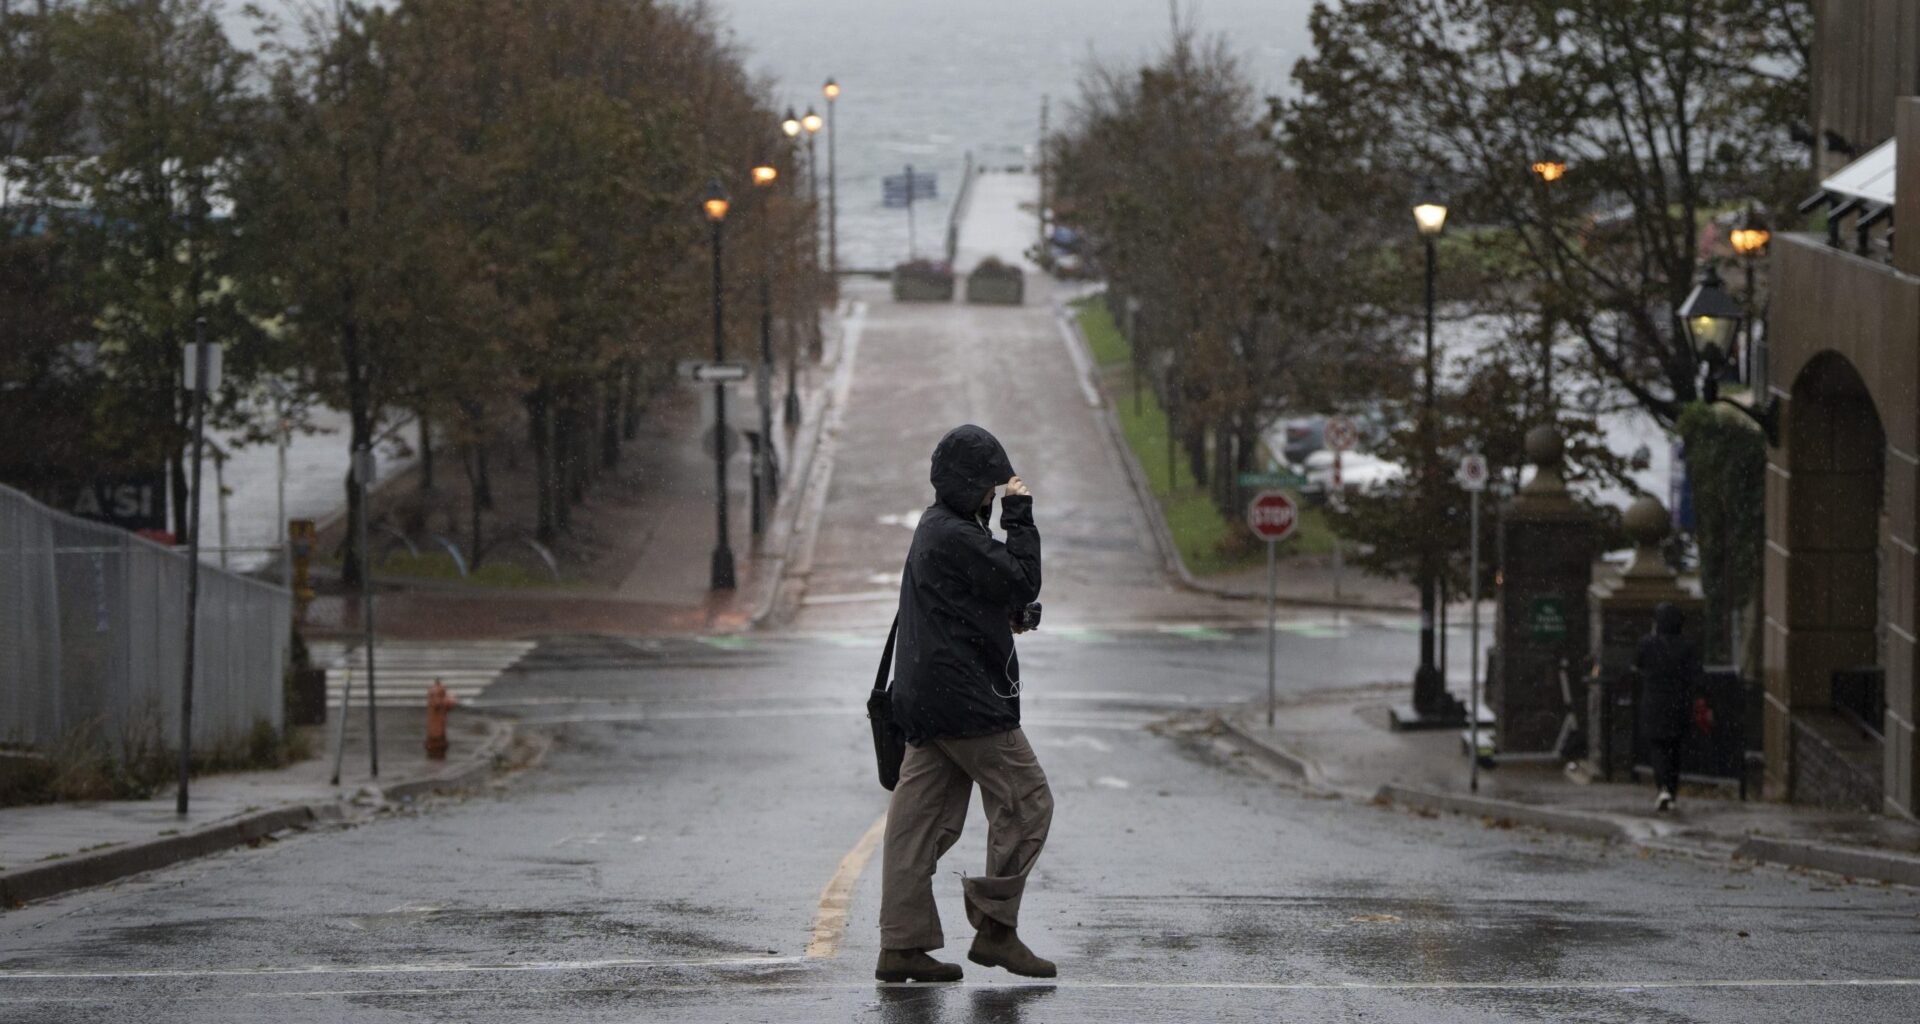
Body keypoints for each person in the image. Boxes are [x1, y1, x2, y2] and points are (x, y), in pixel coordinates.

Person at [876, 424, 1054, 984]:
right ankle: (996, 929)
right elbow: (1022, 579)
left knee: (918, 826)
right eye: (989, 487)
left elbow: (966, 599)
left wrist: (1007, 617)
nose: (993, 495)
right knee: (1028, 803)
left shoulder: (936, 528)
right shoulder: (955, 534)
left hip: (926, 699)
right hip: (967, 702)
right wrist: (1019, 515)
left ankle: (901, 945)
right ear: (969, 485)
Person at [1634, 602, 1701, 812]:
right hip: (1679, 703)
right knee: (1675, 749)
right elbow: (1696, 673)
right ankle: (1671, 790)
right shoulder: (1687, 646)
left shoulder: (1647, 644)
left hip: (1654, 703)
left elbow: (1637, 664)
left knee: (1658, 747)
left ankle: (1663, 787)